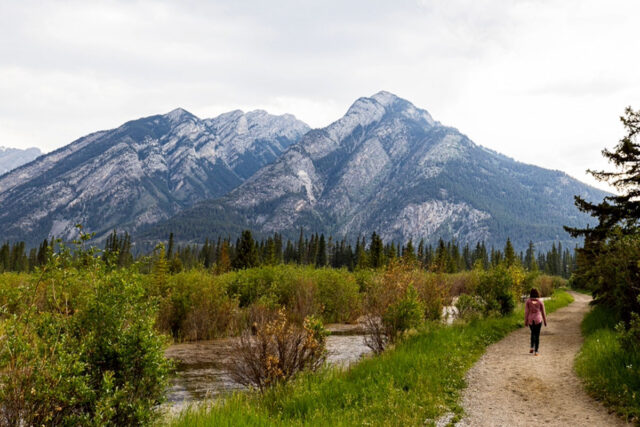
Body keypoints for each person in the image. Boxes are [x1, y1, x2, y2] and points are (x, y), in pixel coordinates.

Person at [524, 288, 547, 356]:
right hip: (538, 319)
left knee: (532, 333)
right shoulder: (540, 302)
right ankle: (536, 352)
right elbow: (543, 312)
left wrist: (526, 321)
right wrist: (545, 321)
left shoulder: (528, 302)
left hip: (531, 320)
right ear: (537, 293)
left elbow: (526, 312)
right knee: (537, 335)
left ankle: (531, 347)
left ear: (530, 294)